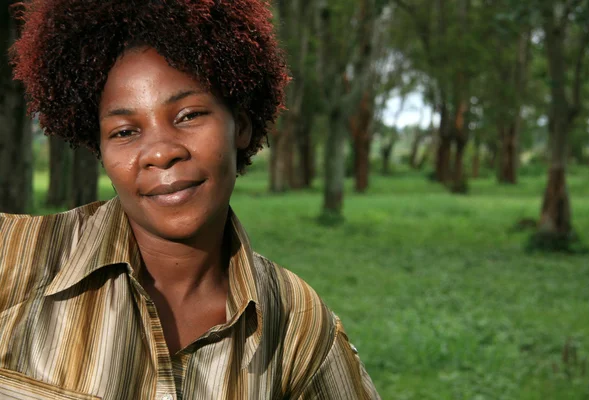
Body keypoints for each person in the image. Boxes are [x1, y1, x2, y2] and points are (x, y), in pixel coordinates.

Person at [0, 1, 380, 399]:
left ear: (242, 128)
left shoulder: (296, 323)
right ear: (100, 151)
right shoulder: (14, 260)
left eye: (189, 115)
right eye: (125, 132)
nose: (160, 152)